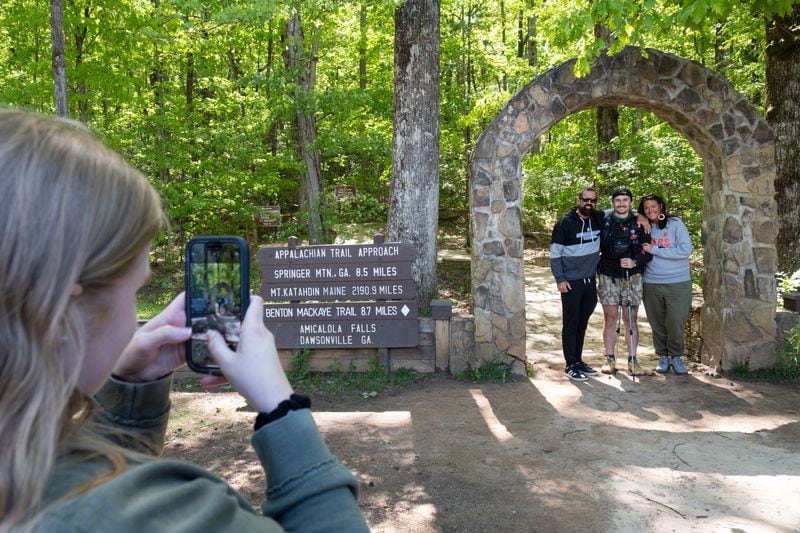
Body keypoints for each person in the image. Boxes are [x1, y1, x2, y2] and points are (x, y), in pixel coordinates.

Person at [0, 108, 369, 532]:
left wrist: (131, 391)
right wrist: (282, 409)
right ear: (64, 306)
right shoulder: (167, 513)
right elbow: (106, 500)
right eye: (135, 291)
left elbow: (86, 473)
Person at [550, 187, 604, 381]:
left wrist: (640, 217)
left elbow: (620, 211)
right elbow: (555, 254)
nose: (589, 203)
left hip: (590, 281)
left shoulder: (598, 218)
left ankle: (578, 360)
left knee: (582, 323)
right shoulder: (565, 223)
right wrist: (560, 279)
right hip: (571, 282)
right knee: (571, 323)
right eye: (585, 199)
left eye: (593, 200)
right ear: (578, 199)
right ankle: (570, 364)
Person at [597, 188, 652, 376]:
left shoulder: (640, 223)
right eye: (618, 200)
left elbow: (648, 252)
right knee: (610, 318)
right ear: (613, 202)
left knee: (631, 320)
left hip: (633, 276)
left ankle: (633, 360)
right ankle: (610, 359)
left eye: (625, 200)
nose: (621, 204)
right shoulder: (603, 220)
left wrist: (635, 261)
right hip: (608, 275)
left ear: (631, 202)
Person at [639, 194, 693, 375]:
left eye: (653, 206)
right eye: (646, 208)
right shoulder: (643, 226)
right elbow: (617, 212)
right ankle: (662, 356)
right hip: (651, 282)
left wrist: (655, 250)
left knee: (676, 321)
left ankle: (676, 356)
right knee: (657, 323)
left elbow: (685, 250)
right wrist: (638, 217)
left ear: (661, 206)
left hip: (677, 282)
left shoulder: (675, 223)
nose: (650, 211)